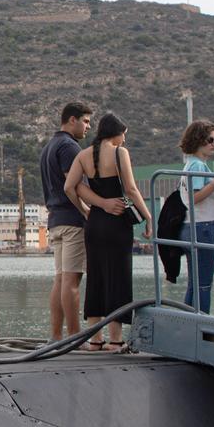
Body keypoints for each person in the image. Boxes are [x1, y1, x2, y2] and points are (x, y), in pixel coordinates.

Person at [63, 112, 152, 350]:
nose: (124, 139)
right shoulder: (119, 152)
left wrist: (85, 209)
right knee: (118, 278)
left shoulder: (83, 155)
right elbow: (131, 189)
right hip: (117, 221)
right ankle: (115, 339)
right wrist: (148, 217)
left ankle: (95, 339)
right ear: (117, 132)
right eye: (124, 134)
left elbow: (69, 187)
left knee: (97, 277)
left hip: (95, 223)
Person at [38, 101, 93, 341]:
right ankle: (74, 338)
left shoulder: (49, 146)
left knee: (60, 279)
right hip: (71, 220)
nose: (88, 127)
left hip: (55, 220)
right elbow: (74, 185)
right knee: (72, 281)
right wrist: (88, 208)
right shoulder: (69, 147)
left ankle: (56, 336)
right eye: (86, 121)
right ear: (72, 119)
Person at [177, 120, 214, 313]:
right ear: (198, 140)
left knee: (194, 284)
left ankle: (190, 323)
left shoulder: (190, 164)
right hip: (202, 228)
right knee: (203, 284)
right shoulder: (197, 165)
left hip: (192, 228)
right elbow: (194, 196)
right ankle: (201, 324)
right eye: (210, 140)